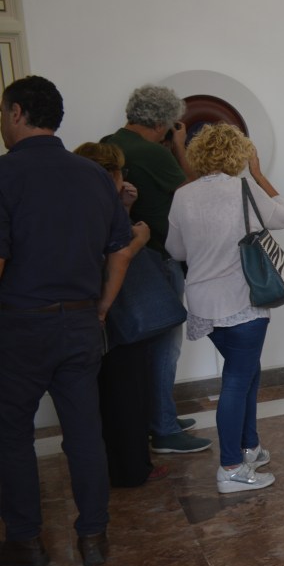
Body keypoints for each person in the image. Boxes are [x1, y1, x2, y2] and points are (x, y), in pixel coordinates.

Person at [0, 76, 140, 566]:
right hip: (81, 321)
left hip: (19, 325)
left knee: (11, 434)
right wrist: (101, 307)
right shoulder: (94, 176)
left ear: (17, 113)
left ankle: (26, 542)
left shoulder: (4, 174)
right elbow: (120, 249)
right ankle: (93, 537)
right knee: (83, 432)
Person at [166, 123, 284, 493]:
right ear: (240, 154)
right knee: (237, 378)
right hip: (242, 301)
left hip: (203, 303)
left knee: (247, 370)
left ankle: (250, 447)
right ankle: (231, 468)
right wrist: (259, 175)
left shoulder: (183, 195)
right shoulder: (243, 188)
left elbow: (175, 250)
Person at [103, 85, 211, 455]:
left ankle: (157, 416)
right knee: (165, 347)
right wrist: (179, 148)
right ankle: (163, 428)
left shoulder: (109, 143)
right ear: (163, 123)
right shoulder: (152, 151)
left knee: (141, 348)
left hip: (126, 258)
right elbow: (195, 195)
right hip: (158, 258)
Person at [75, 142, 164, 486]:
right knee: (128, 392)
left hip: (81, 309)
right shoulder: (100, 205)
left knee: (99, 395)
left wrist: (124, 207)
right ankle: (132, 468)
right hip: (116, 312)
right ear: (111, 173)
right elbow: (120, 252)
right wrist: (141, 236)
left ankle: (107, 469)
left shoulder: (76, 204)